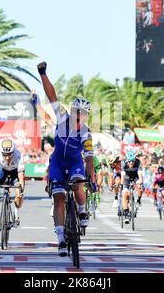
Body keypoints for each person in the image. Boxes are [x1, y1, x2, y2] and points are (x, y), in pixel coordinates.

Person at [37, 61, 96, 257]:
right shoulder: (62, 117)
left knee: (78, 183)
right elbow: (52, 95)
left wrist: (91, 178)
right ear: (71, 112)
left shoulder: (86, 134)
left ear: (86, 116)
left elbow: (88, 159)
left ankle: (81, 209)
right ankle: (61, 238)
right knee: (59, 197)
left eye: (84, 114)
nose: (80, 116)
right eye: (77, 112)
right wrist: (43, 73)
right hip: (57, 163)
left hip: (74, 163)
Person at [0, 139, 25, 231]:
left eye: (9, 154)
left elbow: (21, 176)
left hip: (16, 172)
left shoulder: (18, 155)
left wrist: (21, 190)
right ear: (1, 152)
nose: (7, 157)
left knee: (19, 191)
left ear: (13, 152)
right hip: (2, 171)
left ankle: (16, 214)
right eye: (5, 155)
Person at [120, 150, 143, 224]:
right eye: (129, 161)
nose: (131, 163)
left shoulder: (138, 163)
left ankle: (139, 200)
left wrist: (139, 182)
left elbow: (140, 177)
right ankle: (126, 212)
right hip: (127, 177)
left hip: (135, 176)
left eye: (133, 161)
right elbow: (122, 177)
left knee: (140, 186)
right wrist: (122, 185)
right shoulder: (123, 164)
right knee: (124, 194)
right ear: (126, 161)